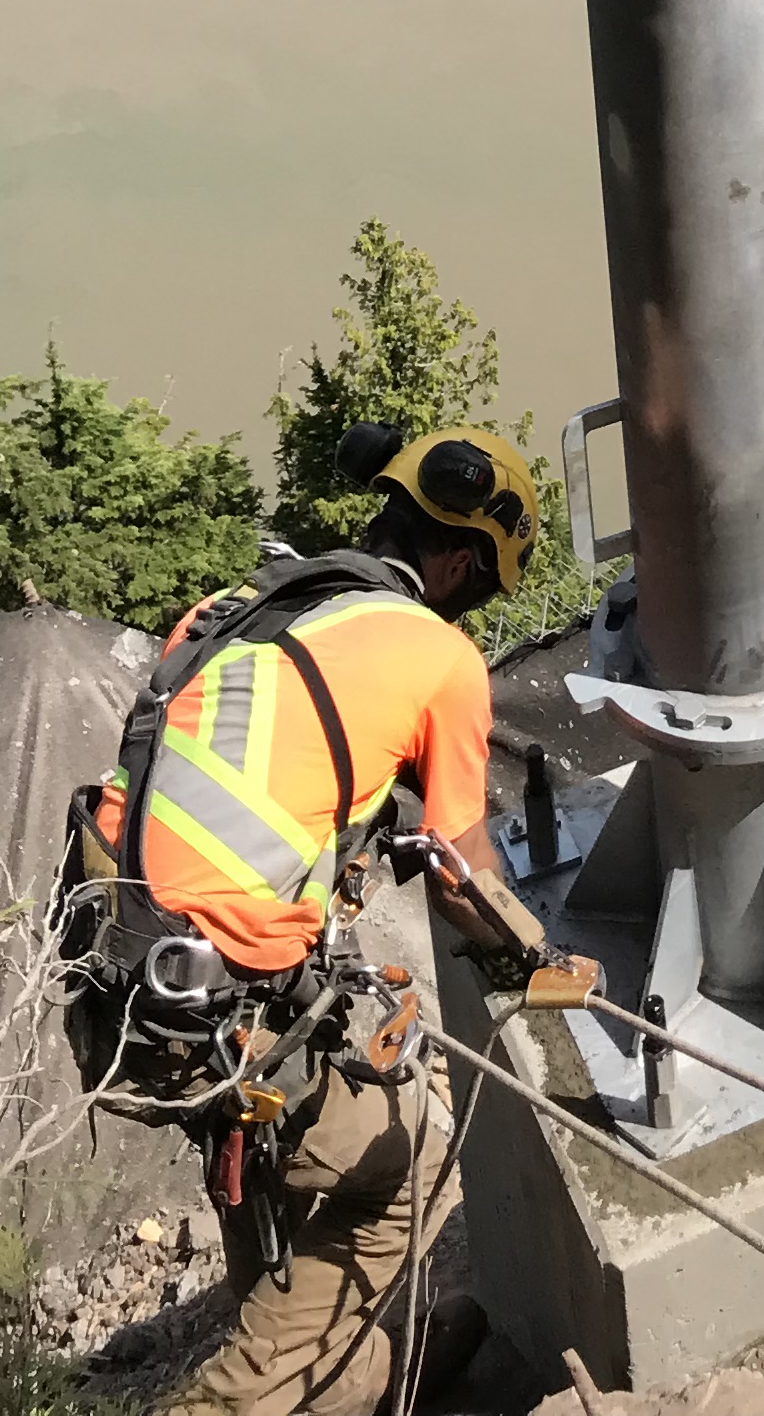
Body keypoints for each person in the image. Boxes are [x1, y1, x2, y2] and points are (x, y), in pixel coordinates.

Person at [103, 422, 548, 1415]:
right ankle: (266, 1390)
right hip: (217, 1009)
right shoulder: (437, 657)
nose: (470, 611)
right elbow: (456, 871)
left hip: (120, 984)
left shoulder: (237, 608)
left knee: (276, 1139)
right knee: (403, 1172)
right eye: (481, 586)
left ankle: (341, 1364)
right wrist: (531, 957)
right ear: (463, 558)